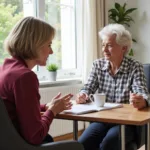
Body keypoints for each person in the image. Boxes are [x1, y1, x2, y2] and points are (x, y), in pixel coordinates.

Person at [0, 16, 73, 145]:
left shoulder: (5, 69)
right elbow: (35, 136)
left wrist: (45, 107)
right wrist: (52, 111)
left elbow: (13, 109)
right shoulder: (25, 77)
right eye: (49, 45)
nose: (51, 51)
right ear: (36, 44)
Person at [76, 24, 150, 150]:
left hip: (126, 122)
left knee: (108, 145)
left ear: (123, 48)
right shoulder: (98, 65)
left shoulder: (135, 67)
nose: (104, 49)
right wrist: (82, 94)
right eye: (103, 45)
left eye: (109, 45)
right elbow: (88, 88)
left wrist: (141, 100)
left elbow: (141, 92)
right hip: (102, 120)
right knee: (82, 143)